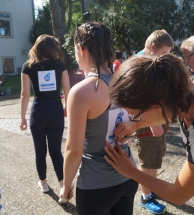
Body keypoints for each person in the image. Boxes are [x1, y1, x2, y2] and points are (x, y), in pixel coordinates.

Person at [104, 53, 194, 215]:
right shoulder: (188, 84)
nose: (132, 120)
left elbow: (178, 194)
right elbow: (165, 110)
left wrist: (130, 171)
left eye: (134, 115)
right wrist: (137, 124)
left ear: (156, 106)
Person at [61, 22, 138, 215]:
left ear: (81, 48)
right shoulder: (125, 80)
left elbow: (73, 149)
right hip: (128, 176)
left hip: (97, 185)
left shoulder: (82, 91)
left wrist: (66, 183)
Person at [20, 34, 70, 203]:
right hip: (56, 111)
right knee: (56, 151)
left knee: (40, 152)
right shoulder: (60, 66)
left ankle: (43, 184)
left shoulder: (28, 66)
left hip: (38, 111)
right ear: (53, 48)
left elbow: (25, 94)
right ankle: (63, 186)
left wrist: (22, 118)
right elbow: (68, 91)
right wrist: (66, 108)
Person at [134, 29, 174, 214]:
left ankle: (151, 189)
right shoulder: (140, 64)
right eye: (165, 53)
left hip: (158, 119)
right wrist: (152, 122)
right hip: (147, 123)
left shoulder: (153, 61)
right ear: (152, 47)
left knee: (155, 158)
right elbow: (135, 97)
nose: (167, 58)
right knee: (147, 160)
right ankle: (145, 196)